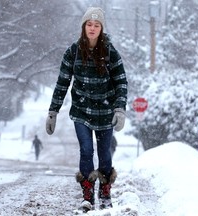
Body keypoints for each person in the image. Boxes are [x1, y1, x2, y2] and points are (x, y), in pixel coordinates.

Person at [45, 7, 128, 212]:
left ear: (101, 28)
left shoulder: (110, 52)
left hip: (105, 112)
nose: (92, 28)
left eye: (96, 25)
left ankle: (105, 192)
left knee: (104, 153)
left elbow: (121, 82)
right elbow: (62, 82)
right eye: (89, 25)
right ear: (84, 27)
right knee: (86, 150)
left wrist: (119, 109)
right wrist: (53, 111)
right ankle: (88, 195)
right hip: (81, 111)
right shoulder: (73, 52)